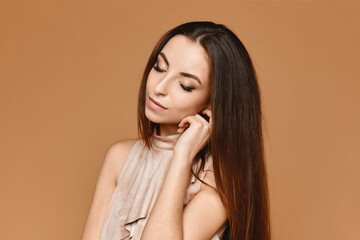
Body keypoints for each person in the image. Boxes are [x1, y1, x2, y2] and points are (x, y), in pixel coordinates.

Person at [81, 21, 271, 240]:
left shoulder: (218, 179)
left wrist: (183, 155)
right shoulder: (119, 157)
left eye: (185, 85)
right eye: (159, 67)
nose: (159, 88)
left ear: (212, 104)